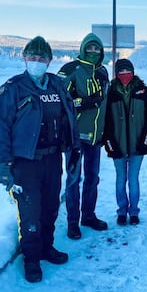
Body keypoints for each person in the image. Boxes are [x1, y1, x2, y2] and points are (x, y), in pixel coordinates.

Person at [0, 36, 81, 282]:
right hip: (25, 163)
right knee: (30, 211)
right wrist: (5, 164)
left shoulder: (57, 86)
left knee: (50, 207)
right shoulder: (12, 89)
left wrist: (74, 151)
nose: (37, 62)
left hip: (52, 159)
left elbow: (70, 119)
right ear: (25, 58)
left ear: (49, 61)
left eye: (42, 58)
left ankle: (47, 247)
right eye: (33, 57)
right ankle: (31, 258)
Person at [57, 33, 109, 239]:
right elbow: (60, 103)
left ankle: (88, 215)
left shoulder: (103, 71)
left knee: (93, 178)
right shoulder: (70, 70)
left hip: (95, 137)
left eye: (97, 49)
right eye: (90, 48)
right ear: (83, 48)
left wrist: (107, 131)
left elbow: (105, 103)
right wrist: (82, 102)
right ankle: (72, 222)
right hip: (74, 137)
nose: (94, 52)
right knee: (73, 179)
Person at [104, 59, 147, 226]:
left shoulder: (144, 91)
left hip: (137, 146)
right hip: (117, 145)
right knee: (120, 179)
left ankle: (134, 211)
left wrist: (145, 142)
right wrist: (110, 145)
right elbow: (105, 122)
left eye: (128, 70)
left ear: (133, 71)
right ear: (116, 73)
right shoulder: (110, 93)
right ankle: (121, 210)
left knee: (133, 179)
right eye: (121, 71)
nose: (125, 74)